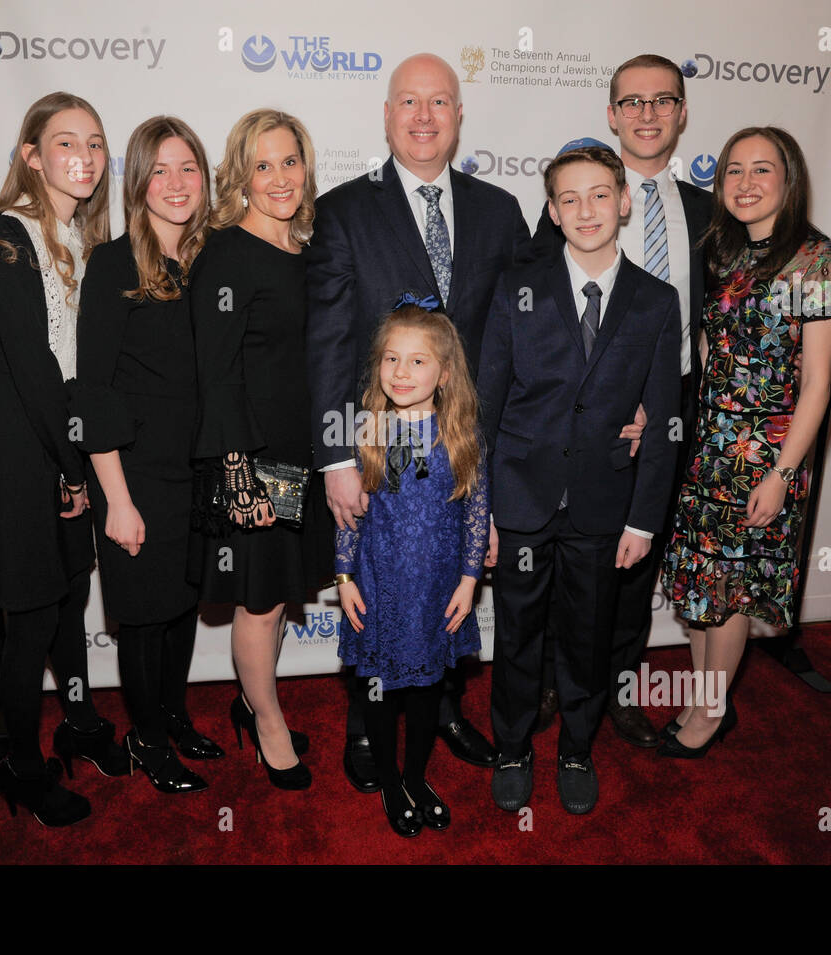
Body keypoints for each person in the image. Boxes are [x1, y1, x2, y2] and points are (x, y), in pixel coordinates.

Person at [306, 52, 529, 790]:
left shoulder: (500, 210)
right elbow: (331, 343)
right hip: (377, 446)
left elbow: (524, 336)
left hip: (465, 442)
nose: (424, 116)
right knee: (383, 578)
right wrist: (338, 459)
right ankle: (370, 720)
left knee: (441, 578)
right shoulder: (343, 209)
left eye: (440, 101)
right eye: (409, 101)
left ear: (460, 115)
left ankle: (441, 709)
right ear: (387, 114)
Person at [478, 146, 681, 814]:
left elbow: (662, 422)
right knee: (517, 634)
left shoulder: (656, 301)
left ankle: (575, 747)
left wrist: (644, 518)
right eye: (570, 198)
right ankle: (511, 745)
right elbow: (486, 406)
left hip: (604, 505)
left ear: (624, 200)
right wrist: (480, 512)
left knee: (589, 637)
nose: (586, 210)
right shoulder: (518, 287)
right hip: (521, 498)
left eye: (600, 194)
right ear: (552, 211)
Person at [530, 55, 712, 747]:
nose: (646, 114)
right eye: (631, 102)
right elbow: (534, 309)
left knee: (641, 552)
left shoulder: (703, 208)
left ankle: (621, 689)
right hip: (582, 417)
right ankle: (554, 679)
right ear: (610, 114)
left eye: (662, 101)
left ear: (681, 113)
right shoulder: (579, 195)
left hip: (674, 407)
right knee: (565, 553)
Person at [0, 92, 128, 826]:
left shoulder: (81, 237)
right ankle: (25, 773)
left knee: (67, 600)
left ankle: (80, 719)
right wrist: (71, 471)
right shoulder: (8, 235)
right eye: (66, 143)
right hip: (23, 454)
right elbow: (32, 370)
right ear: (31, 155)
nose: (85, 157)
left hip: (61, 439)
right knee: (30, 619)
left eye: (95, 143)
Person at [658, 126, 831, 758]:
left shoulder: (820, 259)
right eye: (733, 171)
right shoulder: (723, 250)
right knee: (699, 584)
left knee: (731, 588)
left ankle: (710, 714)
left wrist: (782, 473)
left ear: (788, 180)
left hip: (766, 453)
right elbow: (714, 346)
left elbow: (819, 384)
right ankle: (704, 696)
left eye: (761, 170)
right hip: (712, 442)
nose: (744, 183)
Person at [71, 116, 220, 797]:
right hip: (131, 473)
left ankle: (173, 716)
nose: (176, 182)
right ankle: (147, 740)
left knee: (181, 604)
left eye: (187, 166)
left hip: (195, 470)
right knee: (143, 613)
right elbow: (94, 393)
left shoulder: (210, 261)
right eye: (159, 169)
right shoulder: (111, 263)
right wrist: (118, 500)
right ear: (137, 182)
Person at [189, 109, 331, 790]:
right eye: (264, 164)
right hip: (256, 459)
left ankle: (254, 703)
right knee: (262, 601)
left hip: (302, 453)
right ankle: (267, 723)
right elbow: (216, 373)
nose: (280, 177)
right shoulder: (226, 252)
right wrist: (239, 473)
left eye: (290, 160)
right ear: (241, 175)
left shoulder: (306, 251)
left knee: (277, 592)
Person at [335, 301, 490, 836]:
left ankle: (417, 777)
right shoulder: (367, 431)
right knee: (379, 691)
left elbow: (477, 511)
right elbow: (349, 514)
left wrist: (470, 581)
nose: (401, 373)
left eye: (418, 362)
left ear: (445, 373)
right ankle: (389, 781)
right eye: (392, 359)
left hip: (438, 591)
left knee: (427, 692)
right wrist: (344, 578)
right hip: (379, 588)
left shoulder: (462, 434)